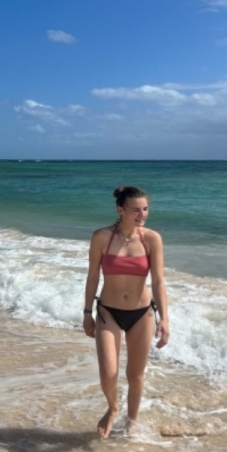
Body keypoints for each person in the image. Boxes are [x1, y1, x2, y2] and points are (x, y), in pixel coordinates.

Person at [83, 186, 170, 438]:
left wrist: (164, 318)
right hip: (108, 312)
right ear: (120, 210)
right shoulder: (101, 237)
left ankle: (131, 423)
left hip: (141, 313)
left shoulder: (152, 239)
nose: (142, 214)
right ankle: (113, 408)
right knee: (108, 373)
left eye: (145, 209)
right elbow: (92, 277)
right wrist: (87, 313)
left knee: (135, 376)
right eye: (136, 210)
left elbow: (158, 281)